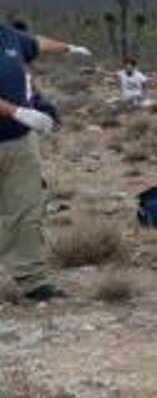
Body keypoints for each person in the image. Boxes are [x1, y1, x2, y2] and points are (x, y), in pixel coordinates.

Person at [1, 20, 92, 302]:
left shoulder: (8, 36)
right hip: (16, 122)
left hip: (18, 143)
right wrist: (16, 111)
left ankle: (32, 280)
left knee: (27, 210)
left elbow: (37, 42)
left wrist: (68, 48)